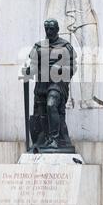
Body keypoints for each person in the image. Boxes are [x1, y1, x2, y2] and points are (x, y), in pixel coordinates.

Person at [21, 18, 77, 151]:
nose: (49, 31)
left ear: (57, 29)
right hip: (42, 84)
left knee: (51, 105)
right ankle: (43, 140)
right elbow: (33, 67)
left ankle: (55, 139)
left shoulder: (65, 46)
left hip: (58, 83)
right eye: (47, 28)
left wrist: (60, 70)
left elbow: (72, 68)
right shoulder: (38, 46)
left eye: (52, 28)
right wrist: (28, 71)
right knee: (41, 114)